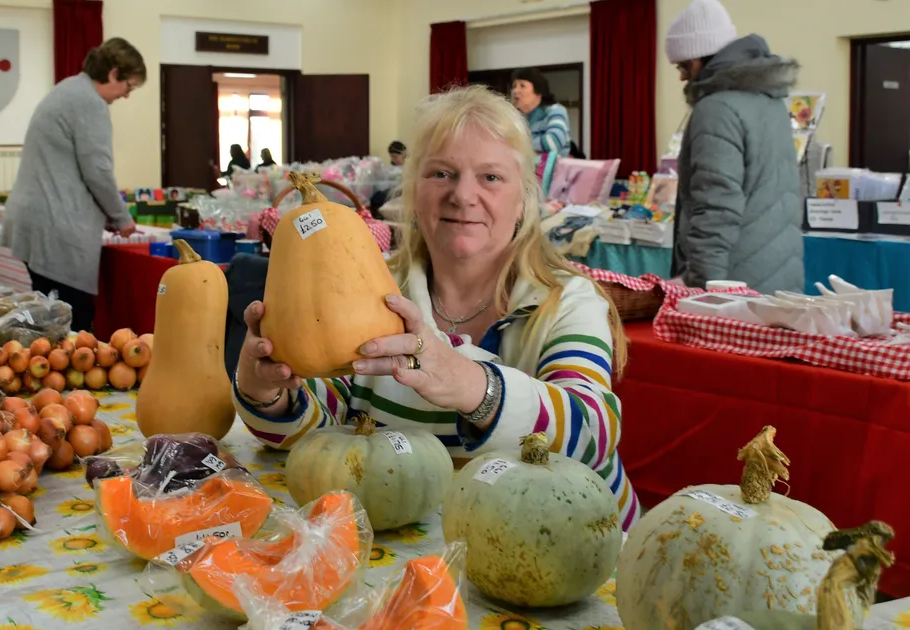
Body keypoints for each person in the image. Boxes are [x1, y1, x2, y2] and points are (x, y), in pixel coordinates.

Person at [233, 85, 641, 530]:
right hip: (429, 544)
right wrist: (268, 394)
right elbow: (320, 428)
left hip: (570, 545)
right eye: (442, 174)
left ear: (524, 199)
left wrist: (470, 384)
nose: (463, 195)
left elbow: (593, 433)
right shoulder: (375, 285)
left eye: (491, 177)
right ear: (411, 191)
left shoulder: (567, 299)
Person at [1, 38, 144, 331]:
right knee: (70, 322)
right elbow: (98, 170)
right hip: (56, 228)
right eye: (129, 86)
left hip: (36, 219)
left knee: (44, 319)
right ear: (114, 73)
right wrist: (121, 217)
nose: (126, 96)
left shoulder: (68, 88)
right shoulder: (90, 103)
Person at [666, 0, 803, 293]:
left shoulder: (716, 108)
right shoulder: (772, 101)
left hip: (732, 284)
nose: (681, 76)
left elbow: (715, 207)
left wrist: (703, 290)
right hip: (779, 279)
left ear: (701, 56)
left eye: (683, 65)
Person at [510, 68, 571, 158]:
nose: (515, 91)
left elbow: (554, 142)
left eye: (522, 86)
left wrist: (519, 145)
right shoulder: (517, 118)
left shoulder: (555, 110)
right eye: (514, 86)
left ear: (538, 92)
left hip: (551, 170)